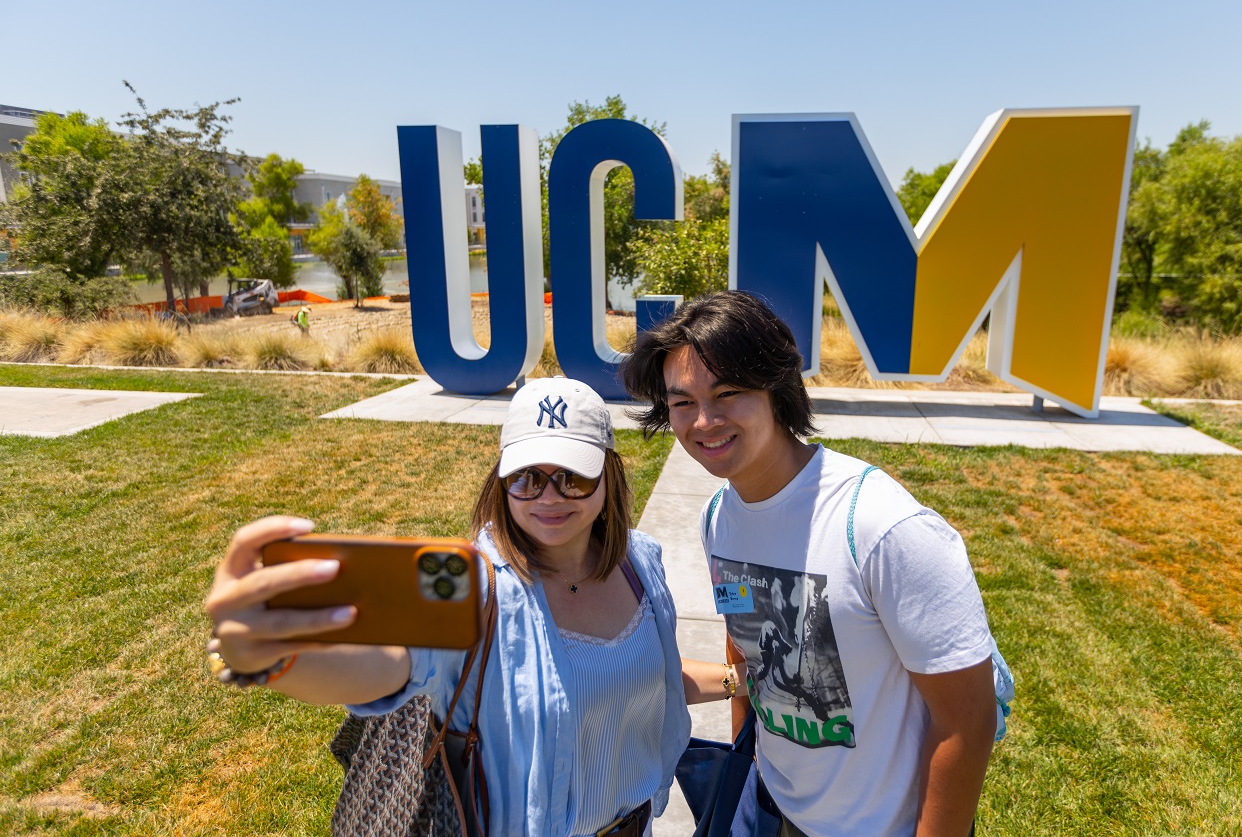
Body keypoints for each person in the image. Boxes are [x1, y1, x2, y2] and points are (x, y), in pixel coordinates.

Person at [205, 377, 706, 837]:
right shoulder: (476, 591)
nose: (548, 497)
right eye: (526, 477)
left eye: (573, 477)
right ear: (501, 480)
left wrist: (738, 677)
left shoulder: (639, 563)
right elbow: (386, 664)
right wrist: (265, 657)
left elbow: (647, 681)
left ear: (610, 478)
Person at [622, 290, 999, 837]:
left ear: (776, 390)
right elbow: (745, 639)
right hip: (775, 809)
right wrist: (745, 762)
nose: (704, 421)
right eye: (682, 403)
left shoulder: (878, 525)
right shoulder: (717, 518)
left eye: (728, 393)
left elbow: (967, 720)